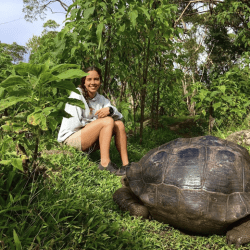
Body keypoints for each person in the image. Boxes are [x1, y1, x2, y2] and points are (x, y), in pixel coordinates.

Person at [57, 66, 129, 176]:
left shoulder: (101, 99)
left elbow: (119, 116)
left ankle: (126, 166)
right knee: (107, 121)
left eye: (96, 79)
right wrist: (97, 123)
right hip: (71, 139)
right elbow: (75, 125)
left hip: (87, 138)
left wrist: (110, 110)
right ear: (84, 81)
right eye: (89, 79)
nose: (93, 83)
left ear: (100, 81)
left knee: (118, 124)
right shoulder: (77, 94)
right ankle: (105, 164)